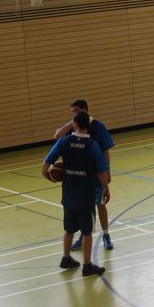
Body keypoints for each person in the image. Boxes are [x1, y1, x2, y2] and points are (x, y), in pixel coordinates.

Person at [43, 111, 110, 277]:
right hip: (85, 195)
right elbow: (101, 171)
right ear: (87, 125)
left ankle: (66, 258)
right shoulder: (92, 145)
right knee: (87, 232)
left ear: (74, 124)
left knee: (69, 229)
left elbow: (46, 163)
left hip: (68, 193)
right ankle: (87, 266)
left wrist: (48, 175)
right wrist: (106, 189)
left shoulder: (64, 141)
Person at [54, 98, 116, 251]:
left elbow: (105, 151)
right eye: (72, 112)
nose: (74, 114)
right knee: (85, 208)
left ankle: (106, 235)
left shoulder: (98, 126)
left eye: (76, 111)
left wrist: (107, 171)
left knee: (100, 204)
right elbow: (56, 136)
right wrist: (70, 123)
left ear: (85, 110)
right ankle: (84, 237)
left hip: (96, 173)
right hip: (81, 177)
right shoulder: (74, 125)